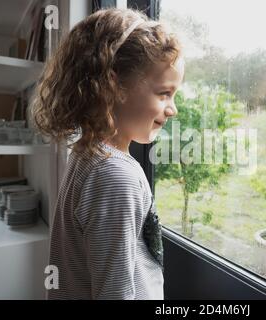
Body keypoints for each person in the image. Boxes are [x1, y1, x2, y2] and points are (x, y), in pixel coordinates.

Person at [31, 7, 185, 299]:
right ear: (115, 86)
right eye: (164, 93)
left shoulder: (86, 153)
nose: (172, 108)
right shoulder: (116, 176)